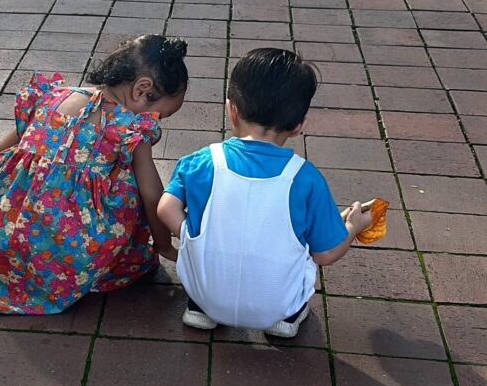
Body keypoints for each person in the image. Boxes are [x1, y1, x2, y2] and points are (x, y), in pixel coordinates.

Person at [158, 48, 373, 336]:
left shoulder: (201, 162)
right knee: (304, 247)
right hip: (274, 307)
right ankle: (287, 319)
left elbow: (165, 209)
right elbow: (325, 254)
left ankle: (200, 308)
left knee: (202, 241)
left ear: (231, 109)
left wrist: (190, 235)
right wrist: (352, 226)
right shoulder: (305, 179)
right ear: (298, 127)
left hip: (206, 292)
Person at [0, 35, 189, 315]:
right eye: (162, 114)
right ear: (142, 90)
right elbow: (152, 196)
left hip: (12, 239)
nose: (156, 121)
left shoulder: (52, 97)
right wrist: (163, 245)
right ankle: (110, 263)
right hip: (70, 258)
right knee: (129, 180)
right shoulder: (129, 127)